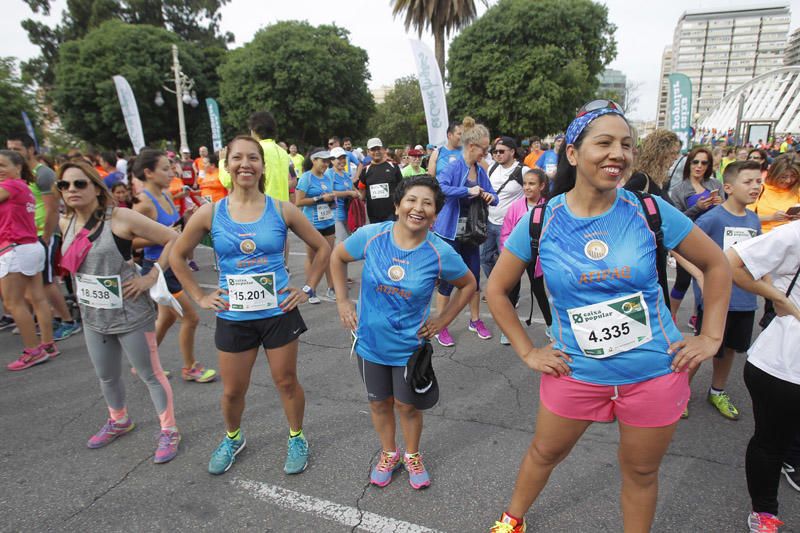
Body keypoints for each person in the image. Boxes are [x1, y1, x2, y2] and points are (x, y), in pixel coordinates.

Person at [485, 101, 731, 533]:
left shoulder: (649, 210)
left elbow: (717, 266)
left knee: (640, 474)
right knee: (544, 453)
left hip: (655, 371)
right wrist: (527, 352)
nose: (618, 154)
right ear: (573, 153)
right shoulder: (542, 218)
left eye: (626, 145)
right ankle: (513, 519)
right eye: (604, 143)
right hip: (575, 372)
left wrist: (710, 336)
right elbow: (496, 289)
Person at [169, 135, 330, 476]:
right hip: (234, 316)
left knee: (286, 381)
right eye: (238, 158)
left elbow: (323, 248)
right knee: (232, 391)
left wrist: (306, 287)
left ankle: (297, 437)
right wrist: (199, 296)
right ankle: (233, 437)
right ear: (226, 164)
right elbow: (177, 256)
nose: (246, 164)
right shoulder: (209, 213)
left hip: (279, 313)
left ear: (262, 165)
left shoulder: (282, 209)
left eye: (253, 158)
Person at [330, 175, 476, 489]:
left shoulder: (440, 252)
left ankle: (412, 455)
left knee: (407, 406)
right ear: (397, 205)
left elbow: (469, 284)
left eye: (427, 203)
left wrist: (443, 320)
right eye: (411, 200)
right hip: (370, 343)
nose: (418, 208)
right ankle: (389, 453)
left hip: (410, 348)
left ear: (436, 214)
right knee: (379, 403)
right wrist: (342, 301)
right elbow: (337, 257)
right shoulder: (371, 236)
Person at [57, 160, 181, 463]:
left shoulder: (121, 218)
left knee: (150, 374)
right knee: (107, 376)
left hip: (130, 314)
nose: (71, 190)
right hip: (93, 316)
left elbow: (173, 238)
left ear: (96, 189)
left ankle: (169, 430)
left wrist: (151, 277)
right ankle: (119, 420)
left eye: (79, 183)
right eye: (64, 185)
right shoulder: (66, 222)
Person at [726, 220, 800, 533]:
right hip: (785, 363)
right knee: (771, 442)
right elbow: (733, 261)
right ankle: (764, 513)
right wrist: (778, 298)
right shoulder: (796, 233)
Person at [133, 149, 217, 383]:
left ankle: (143, 364)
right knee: (191, 317)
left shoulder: (167, 195)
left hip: (174, 264)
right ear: (148, 173)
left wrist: (184, 220)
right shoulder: (142, 203)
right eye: (165, 169)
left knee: (168, 318)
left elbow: (173, 230)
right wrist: (165, 236)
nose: (172, 173)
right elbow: (130, 240)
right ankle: (190, 367)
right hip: (159, 268)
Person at [689, 160, 763, 420]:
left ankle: (717, 391)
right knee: (700, 349)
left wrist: (771, 289)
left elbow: (759, 258)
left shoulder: (754, 220)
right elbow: (683, 247)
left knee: (730, 349)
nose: (756, 186)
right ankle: (680, 392)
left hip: (744, 301)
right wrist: (699, 276)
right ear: (728, 187)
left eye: (758, 181)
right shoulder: (712, 218)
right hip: (715, 300)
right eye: (748, 181)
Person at [430, 116, 498, 347]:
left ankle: (475, 320)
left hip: (472, 231)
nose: (486, 154)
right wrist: (468, 192)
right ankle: (442, 325)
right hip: (449, 231)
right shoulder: (453, 165)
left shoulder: (479, 170)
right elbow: (440, 188)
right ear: (471, 146)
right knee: (448, 280)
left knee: (474, 278)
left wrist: (489, 196)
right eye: (484, 149)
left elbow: (494, 196)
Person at [6, 134, 79, 341]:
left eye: (17, 148)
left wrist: (46, 237)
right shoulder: (20, 177)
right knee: (37, 288)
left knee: (46, 284)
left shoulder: (43, 173)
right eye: (9, 148)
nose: (13, 152)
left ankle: (67, 321)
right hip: (26, 237)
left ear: (30, 149)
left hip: (42, 235)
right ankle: (52, 320)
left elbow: (52, 209)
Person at [1, 150, 58, 370]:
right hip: (30, 245)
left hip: (16, 248)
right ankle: (47, 344)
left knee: (13, 303)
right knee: (37, 297)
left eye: (2, 165)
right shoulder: (23, 186)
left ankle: (33, 351)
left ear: (18, 167)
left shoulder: (12, 185)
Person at [669, 147, 725, 325]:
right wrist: (697, 208)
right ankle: (671, 317)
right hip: (688, 240)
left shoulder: (715, 185)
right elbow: (677, 219)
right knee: (683, 280)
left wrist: (721, 204)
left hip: (713, 237)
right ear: (689, 163)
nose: (699, 166)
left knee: (710, 279)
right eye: (695, 162)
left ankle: (697, 316)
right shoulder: (679, 189)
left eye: (704, 162)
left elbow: (725, 211)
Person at [499, 167, 552, 346]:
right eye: (525, 183)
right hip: (517, 257)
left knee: (539, 291)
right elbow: (506, 233)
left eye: (532, 184)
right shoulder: (515, 207)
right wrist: (510, 254)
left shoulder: (549, 206)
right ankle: (508, 330)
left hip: (538, 257)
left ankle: (551, 326)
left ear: (542, 186)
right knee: (511, 292)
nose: (527, 187)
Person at [219, 111, 291, 202]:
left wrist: (222, 161)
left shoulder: (255, 151)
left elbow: (229, 181)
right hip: (281, 207)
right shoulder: (283, 152)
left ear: (253, 130)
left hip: (263, 207)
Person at [295, 149, 337, 302]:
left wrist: (331, 201)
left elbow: (329, 199)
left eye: (328, 161)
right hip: (312, 224)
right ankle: (310, 290)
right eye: (323, 161)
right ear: (314, 160)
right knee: (313, 258)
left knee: (329, 256)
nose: (326, 164)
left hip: (328, 221)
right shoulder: (306, 178)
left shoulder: (327, 178)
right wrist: (320, 198)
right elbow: (298, 202)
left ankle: (331, 288)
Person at [623, 129, 680, 203]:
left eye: (677, 153)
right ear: (660, 153)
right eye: (672, 153)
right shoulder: (641, 179)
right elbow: (622, 203)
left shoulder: (663, 181)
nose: (676, 157)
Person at [748, 154, 800, 233]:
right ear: (774, 174)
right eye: (783, 177)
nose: (788, 180)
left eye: (793, 176)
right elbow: (744, 218)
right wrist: (771, 217)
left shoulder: (797, 191)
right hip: (763, 238)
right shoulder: (759, 189)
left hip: (790, 238)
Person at [358, 138, 403, 223]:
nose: (376, 152)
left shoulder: (393, 167)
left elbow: (401, 189)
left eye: (378, 148)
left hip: (392, 214)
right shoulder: (365, 171)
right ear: (368, 152)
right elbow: (361, 194)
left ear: (383, 150)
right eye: (373, 150)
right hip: (373, 216)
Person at [327, 147, 360, 244]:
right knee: (343, 243)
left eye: (343, 158)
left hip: (349, 214)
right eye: (339, 158)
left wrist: (358, 194)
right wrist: (349, 193)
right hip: (335, 214)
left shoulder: (346, 175)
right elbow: (329, 193)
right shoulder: (329, 173)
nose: (342, 161)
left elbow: (354, 189)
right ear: (332, 161)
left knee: (347, 243)